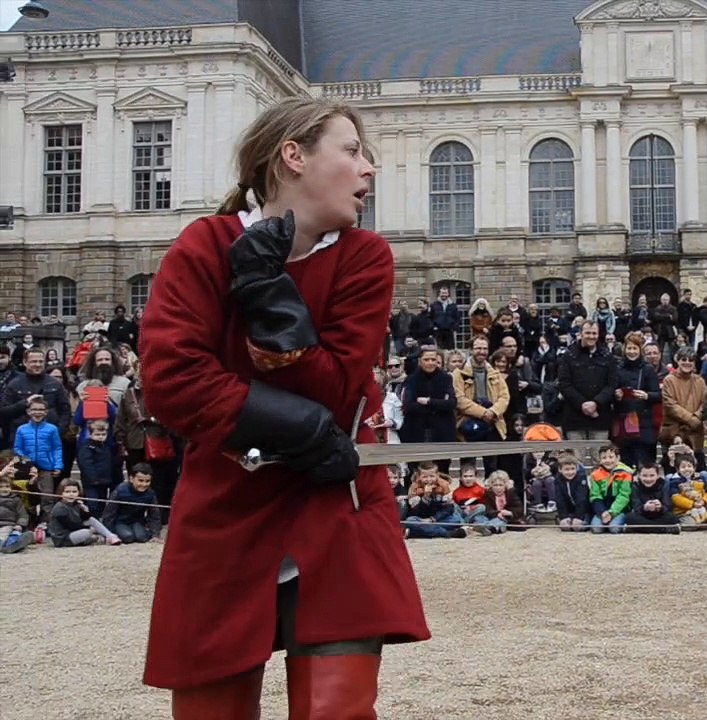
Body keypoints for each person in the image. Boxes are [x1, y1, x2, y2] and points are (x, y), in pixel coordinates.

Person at [138, 98, 429, 716]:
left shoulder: (364, 256)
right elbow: (170, 381)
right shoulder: (204, 246)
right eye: (351, 151)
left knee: (338, 711)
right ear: (293, 156)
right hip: (226, 503)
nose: (367, 169)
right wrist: (296, 424)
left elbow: (336, 388)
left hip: (337, 501)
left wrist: (269, 295)